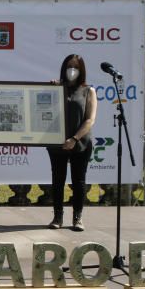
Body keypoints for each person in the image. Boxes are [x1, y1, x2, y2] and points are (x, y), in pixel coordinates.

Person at [46, 54, 97, 231]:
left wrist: (74, 139)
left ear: (81, 70)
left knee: (79, 181)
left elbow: (90, 119)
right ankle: (57, 217)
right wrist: (51, 89)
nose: (72, 70)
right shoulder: (57, 87)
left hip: (80, 142)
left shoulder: (88, 91)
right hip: (56, 143)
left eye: (75, 67)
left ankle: (77, 218)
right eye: (69, 66)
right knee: (57, 180)